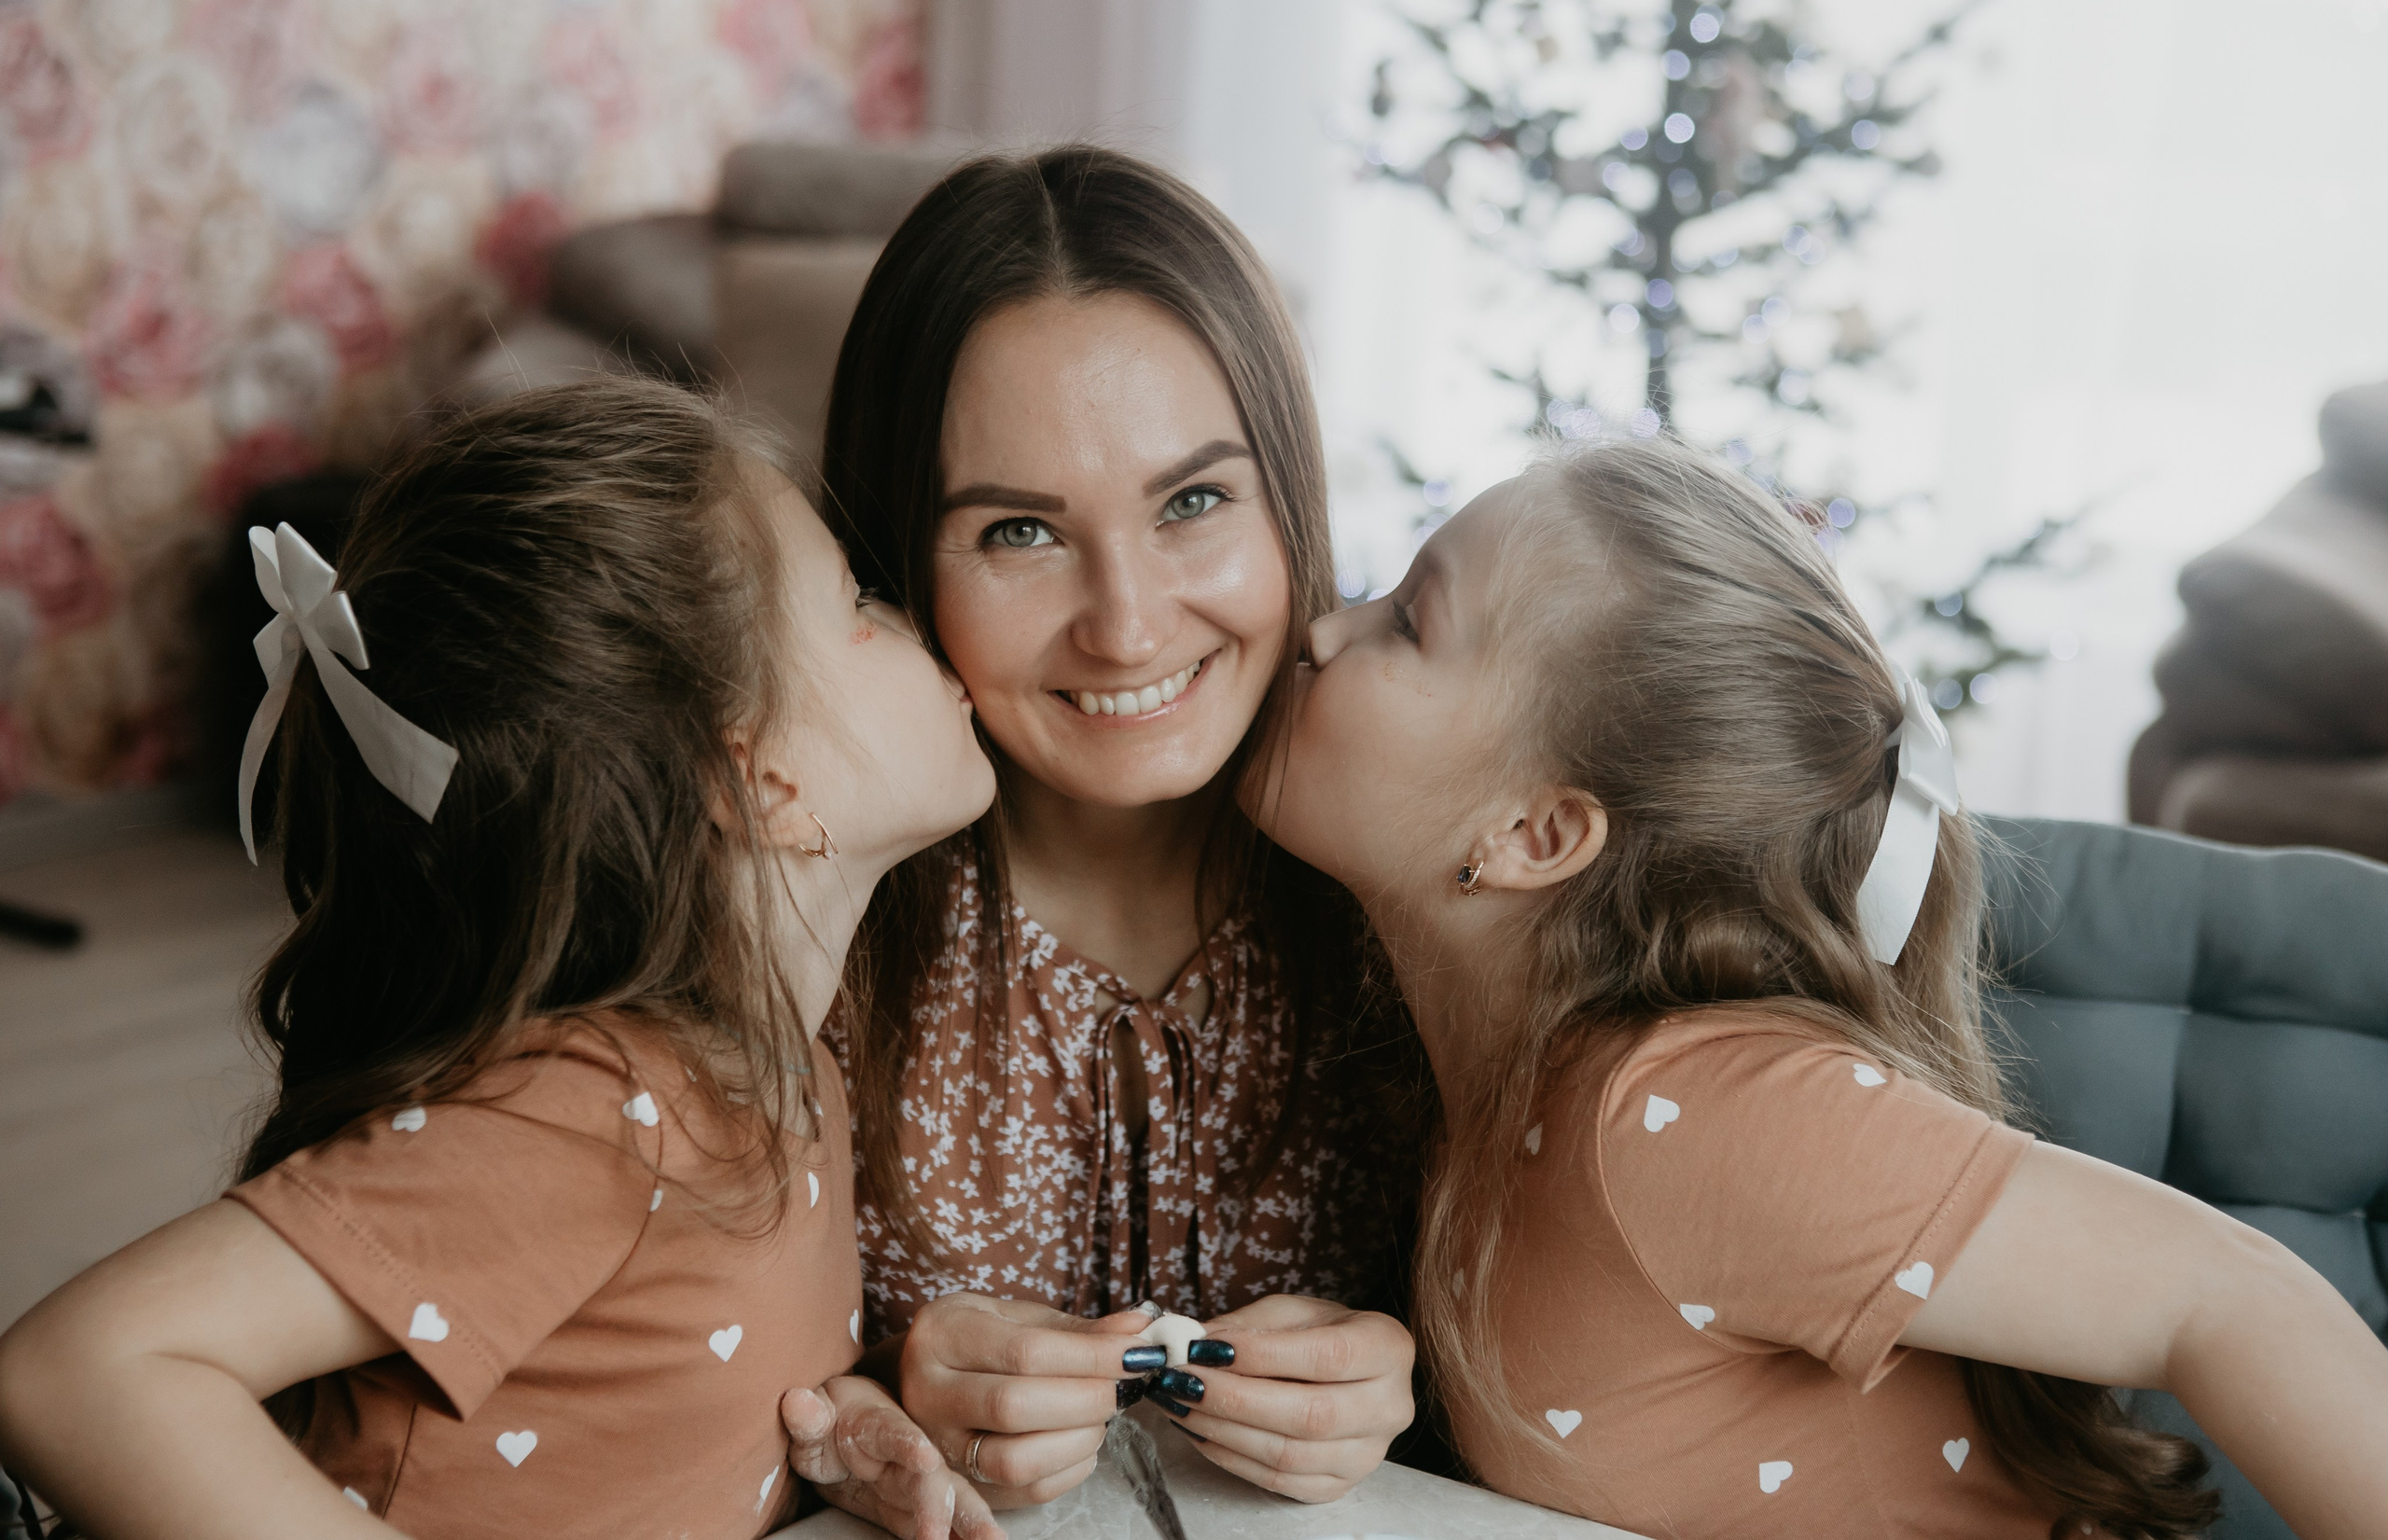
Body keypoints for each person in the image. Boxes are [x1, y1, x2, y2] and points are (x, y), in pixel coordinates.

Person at [1244, 438, 2388, 1539]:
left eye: (1405, 619)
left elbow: (2233, 1301)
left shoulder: (1694, 1122)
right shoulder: (1480, 1065)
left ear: (1536, 832)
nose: (1322, 626)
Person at [0, 381, 1005, 1540]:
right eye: (858, 601)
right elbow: (84, 1368)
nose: (913, 615)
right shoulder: (591, 1119)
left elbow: (647, 1383)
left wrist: (830, 1440)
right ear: (762, 782)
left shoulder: (781, 1072)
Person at [818, 145, 1423, 1507]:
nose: (1130, 623)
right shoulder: (808, 910)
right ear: (893, 558)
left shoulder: (1423, 877)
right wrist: (863, 1404)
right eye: (1021, 531)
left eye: (1195, 501)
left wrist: (1421, 1371)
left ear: (1290, 497)